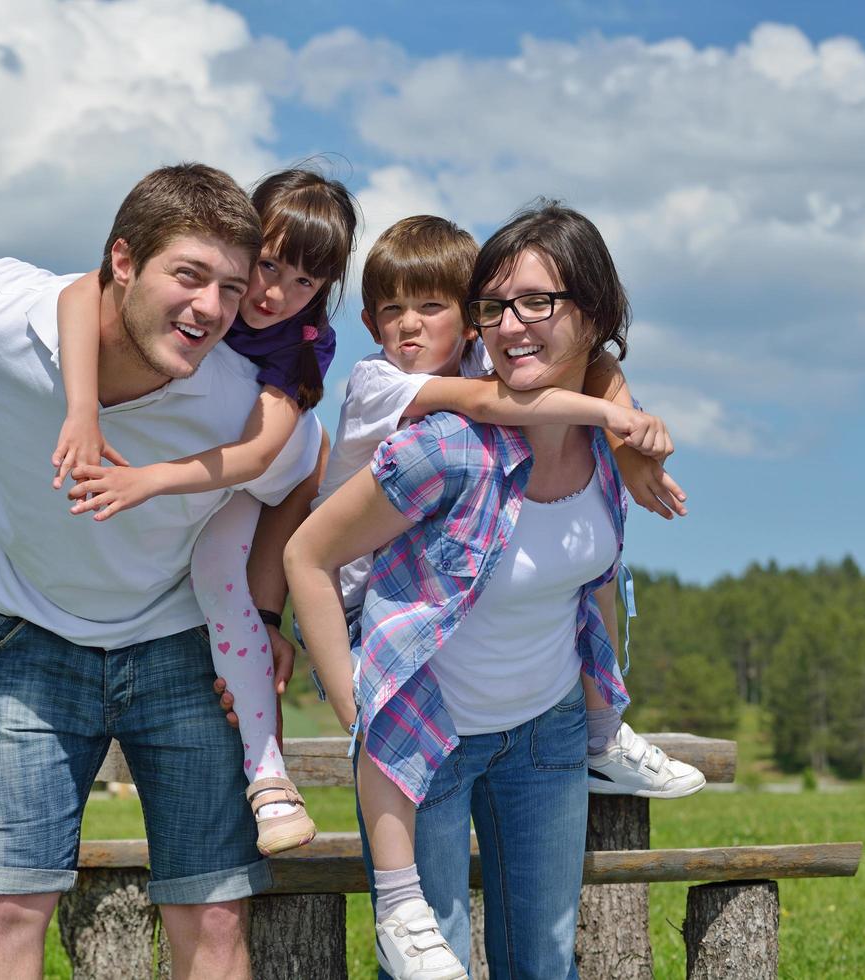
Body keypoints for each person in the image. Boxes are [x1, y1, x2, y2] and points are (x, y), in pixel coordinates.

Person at [0, 163, 321, 980]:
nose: (210, 309)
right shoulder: (11, 320)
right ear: (123, 261)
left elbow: (299, 475)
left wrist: (263, 618)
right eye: (188, 276)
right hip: (29, 645)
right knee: (7, 907)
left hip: (181, 654)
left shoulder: (239, 400)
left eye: (232, 289)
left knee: (213, 914)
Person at [286, 201, 690, 979]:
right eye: (495, 306)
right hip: (427, 736)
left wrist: (624, 428)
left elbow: (594, 583)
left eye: (535, 302)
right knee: (427, 961)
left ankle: (609, 737)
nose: (510, 325)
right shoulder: (438, 442)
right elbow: (308, 555)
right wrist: (353, 707)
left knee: (541, 962)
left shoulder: (601, 444)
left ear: (592, 312)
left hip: (546, 733)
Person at [50, 167, 358, 854]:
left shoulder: (302, 341)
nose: (274, 294)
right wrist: (78, 408)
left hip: (255, 481)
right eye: (267, 266)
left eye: (303, 283)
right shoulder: (195, 298)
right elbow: (78, 293)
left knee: (221, 583)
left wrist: (149, 482)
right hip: (215, 476)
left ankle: (268, 776)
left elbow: (258, 458)